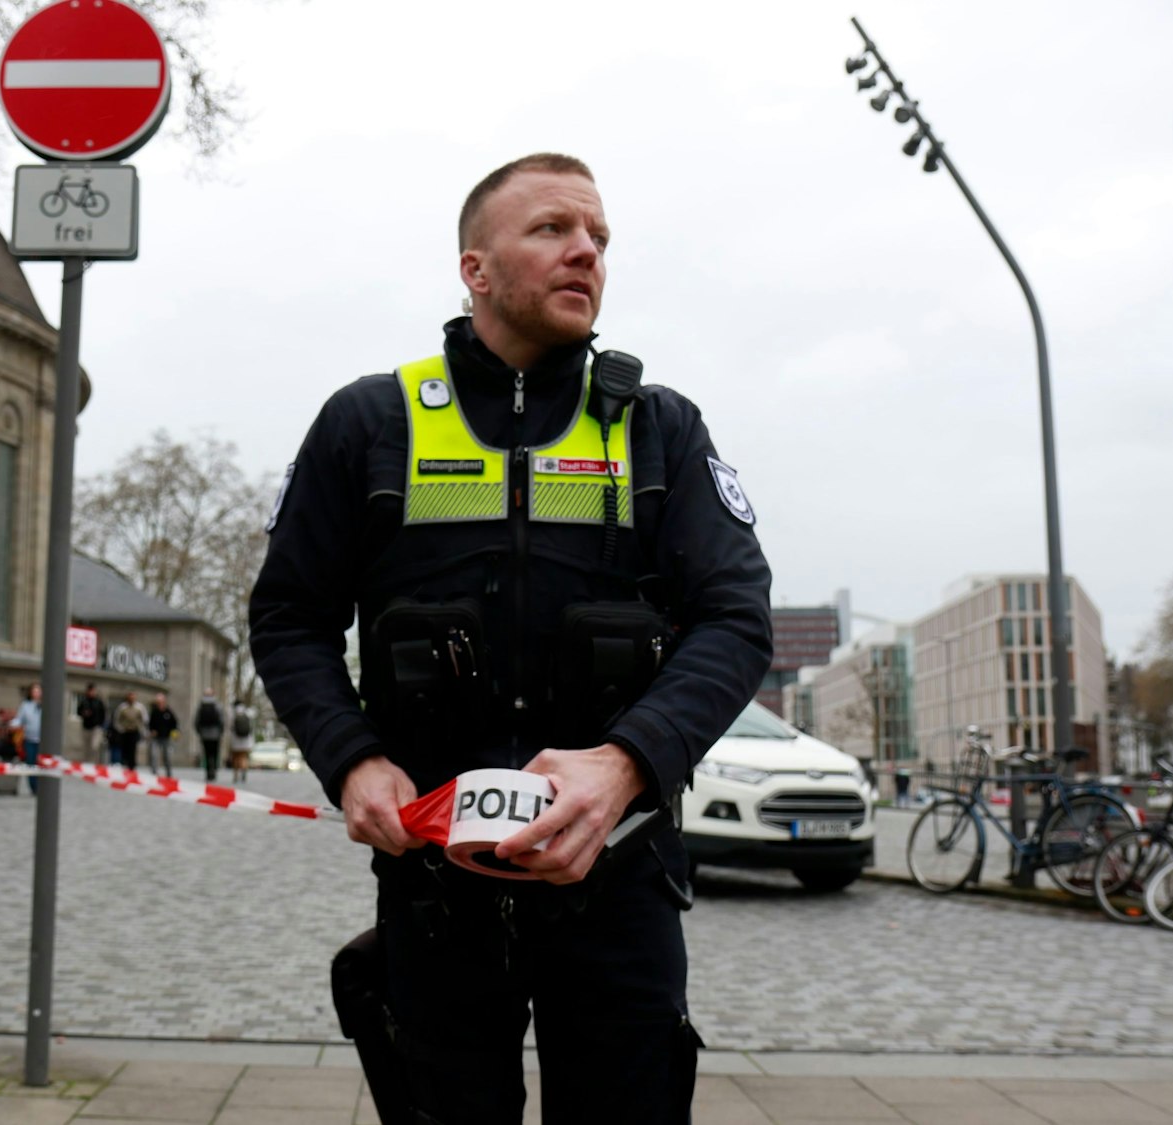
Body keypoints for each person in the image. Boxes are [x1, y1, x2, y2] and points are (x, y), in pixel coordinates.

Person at [249, 153, 772, 1124]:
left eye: (598, 238)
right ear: (474, 268)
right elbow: (288, 617)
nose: (584, 252)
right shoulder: (370, 422)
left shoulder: (658, 429)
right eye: (550, 230)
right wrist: (353, 762)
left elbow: (736, 619)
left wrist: (623, 764)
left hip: (618, 874)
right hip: (435, 887)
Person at [8, 682, 43, 794]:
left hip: (42, 740)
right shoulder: (26, 705)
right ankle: (34, 788)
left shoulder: (45, 705)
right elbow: (20, 719)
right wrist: (13, 724)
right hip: (29, 738)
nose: (36, 693)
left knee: (41, 764)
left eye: (38, 690)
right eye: (34, 691)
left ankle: (42, 786)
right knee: (30, 763)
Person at [194, 688, 226, 782]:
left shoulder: (201, 705)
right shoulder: (217, 705)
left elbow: (196, 720)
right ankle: (214, 770)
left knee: (207, 753)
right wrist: (221, 731)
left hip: (204, 734)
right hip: (215, 734)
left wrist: (199, 731)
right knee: (214, 753)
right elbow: (222, 719)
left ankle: (208, 772)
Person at [146, 691, 179, 777]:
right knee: (154, 755)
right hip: (156, 737)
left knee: (167, 756)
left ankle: (168, 774)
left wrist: (174, 734)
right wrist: (152, 730)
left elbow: (174, 724)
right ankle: (154, 773)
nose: (160, 704)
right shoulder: (154, 712)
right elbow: (150, 724)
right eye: (158, 702)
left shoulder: (168, 712)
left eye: (161, 702)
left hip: (166, 737)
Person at [112, 690, 146, 769]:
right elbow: (116, 719)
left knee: (133, 748)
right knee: (124, 748)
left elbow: (144, 719)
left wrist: (141, 729)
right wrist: (120, 729)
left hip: (134, 731)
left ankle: (132, 765)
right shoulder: (122, 707)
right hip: (125, 731)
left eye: (133, 697)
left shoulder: (139, 708)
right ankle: (124, 763)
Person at [77, 682, 108, 764]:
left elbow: (103, 714)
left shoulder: (99, 702)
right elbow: (78, 712)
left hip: (96, 728)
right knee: (86, 747)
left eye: (93, 691)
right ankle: (86, 763)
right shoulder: (84, 701)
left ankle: (93, 763)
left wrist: (101, 725)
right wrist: (84, 713)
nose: (92, 693)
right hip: (86, 727)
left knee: (94, 746)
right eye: (90, 691)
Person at [228, 700, 255, 783]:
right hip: (246, 740)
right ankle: (244, 770)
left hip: (235, 739)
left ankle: (236, 775)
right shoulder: (248, 712)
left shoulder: (232, 713)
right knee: (243, 756)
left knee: (236, 757)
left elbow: (230, 727)